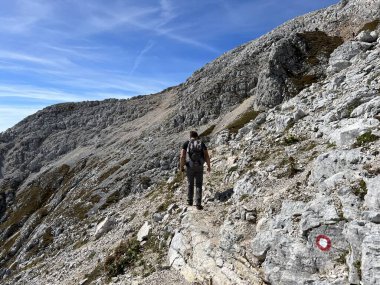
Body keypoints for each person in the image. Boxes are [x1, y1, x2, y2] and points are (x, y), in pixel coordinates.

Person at [180, 131, 211, 210]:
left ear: (190, 136)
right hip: (199, 166)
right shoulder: (201, 143)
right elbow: (206, 155)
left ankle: (189, 201)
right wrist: (208, 166)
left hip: (189, 166)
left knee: (190, 183)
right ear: (197, 136)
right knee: (198, 184)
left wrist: (182, 166)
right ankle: (198, 203)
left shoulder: (186, 143)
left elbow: (182, 156)